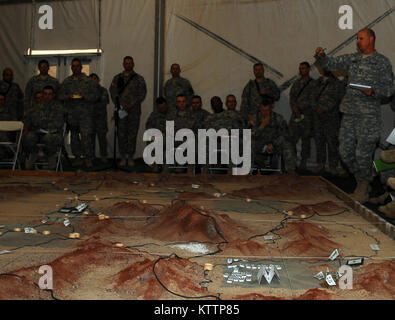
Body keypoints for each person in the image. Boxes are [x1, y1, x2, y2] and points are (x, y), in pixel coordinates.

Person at [315, 28, 394, 202]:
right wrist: (321, 57)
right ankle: (363, 179)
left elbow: (389, 90)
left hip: (369, 116)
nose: (358, 41)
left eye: (361, 38)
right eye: (357, 38)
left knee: (362, 154)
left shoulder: (382, 62)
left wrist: (373, 91)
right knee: (345, 152)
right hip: (349, 113)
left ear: (371, 39)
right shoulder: (353, 58)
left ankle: (363, 186)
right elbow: (330, 64)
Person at [58, 58, 99, 168]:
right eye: (73, 66)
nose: (75, 68)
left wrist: (85, 97)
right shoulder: (67, 82)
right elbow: (60, 96)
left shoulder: (88, 81)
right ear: (71, 68)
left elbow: (96, 96)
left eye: (77, 66)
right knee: (74, 137)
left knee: (86, 137)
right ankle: (77, 157)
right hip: (72, 114)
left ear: (81, 67)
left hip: (85, 114)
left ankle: (88, 158)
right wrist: (68, 97)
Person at [109, 56, 147, 167]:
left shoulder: (139, 78)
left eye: (130, 63)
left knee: (132, 134)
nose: (128, 65)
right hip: (121, 111)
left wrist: (132, 104)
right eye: (126, 63)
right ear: (123, 64)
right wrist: (119, 104)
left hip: (134, 111)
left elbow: (142, 93)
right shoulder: (117, 78)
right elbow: (112, 92)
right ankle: (123, 156)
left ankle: (130, 157)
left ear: (133, 64)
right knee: (121, 134)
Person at [310, 68, 346, 175]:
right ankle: (320, 164)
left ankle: (333, 166)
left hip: (331, 117)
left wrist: (324, 109)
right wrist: (317, 109)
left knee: (332, 142)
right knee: (319, 141)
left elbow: (339, 99)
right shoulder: (316, 82)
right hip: (317, 117)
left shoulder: (337, 83)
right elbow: (311, 97)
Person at [252, 95, 296, 174]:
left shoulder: (278, 118)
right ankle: (249, 171)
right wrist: (262, 126)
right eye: (263, 110)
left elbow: (286, 134)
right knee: (248, 144)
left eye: (267, 110)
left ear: (271, 108)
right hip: (259, 145)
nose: (265, 113)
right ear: (259, 109)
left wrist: (273, 143)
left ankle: (290, 171)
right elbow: (251, 135)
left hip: (274, 144)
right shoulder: (255, 118)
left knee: (288, 144)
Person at [23, 86, 64, 170]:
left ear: (53, 95)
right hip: (39, 133)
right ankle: (34, 154)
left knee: (49, 138)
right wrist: (49, 120)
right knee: (28, 137)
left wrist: (42, 121)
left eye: (49, 94)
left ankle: (50, 156)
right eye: (45, 94)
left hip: (54, 134)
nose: (47, 96)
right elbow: (34, 121)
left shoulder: (59, 107)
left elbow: (58, 124)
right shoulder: (37, 106)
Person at [288, 62, 316, 171]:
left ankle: (303, 162)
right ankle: (292, 161)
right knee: (291, 139)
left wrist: (302, 109)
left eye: (303, 68)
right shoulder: (296, 83)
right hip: (295, 115)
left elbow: (313, 99)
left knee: (306, 140)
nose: (301, 70)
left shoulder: (313, 84)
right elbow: (292, 98)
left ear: (308, 69)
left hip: (307, 115)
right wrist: (295, 108)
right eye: (300, 68)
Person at [145, 97, 169, 173]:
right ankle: (154, 164)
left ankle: (164, 165)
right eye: (160, 108)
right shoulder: (154, 114)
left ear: (166, 105)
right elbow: (148, 127)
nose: (162, 109)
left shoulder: (172, 113)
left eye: (164, 107)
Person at [90, 73, 109, 163]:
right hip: (90, 119)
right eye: (91, 79)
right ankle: (91, 156)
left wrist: (93, 101)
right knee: (90, 139)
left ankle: (103, 156)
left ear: (98, 80)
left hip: (101, 119)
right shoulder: (87, 91)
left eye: (95, 79)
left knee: (102, 139)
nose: (93, 81)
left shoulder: (103, 90)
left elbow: (103, 102)